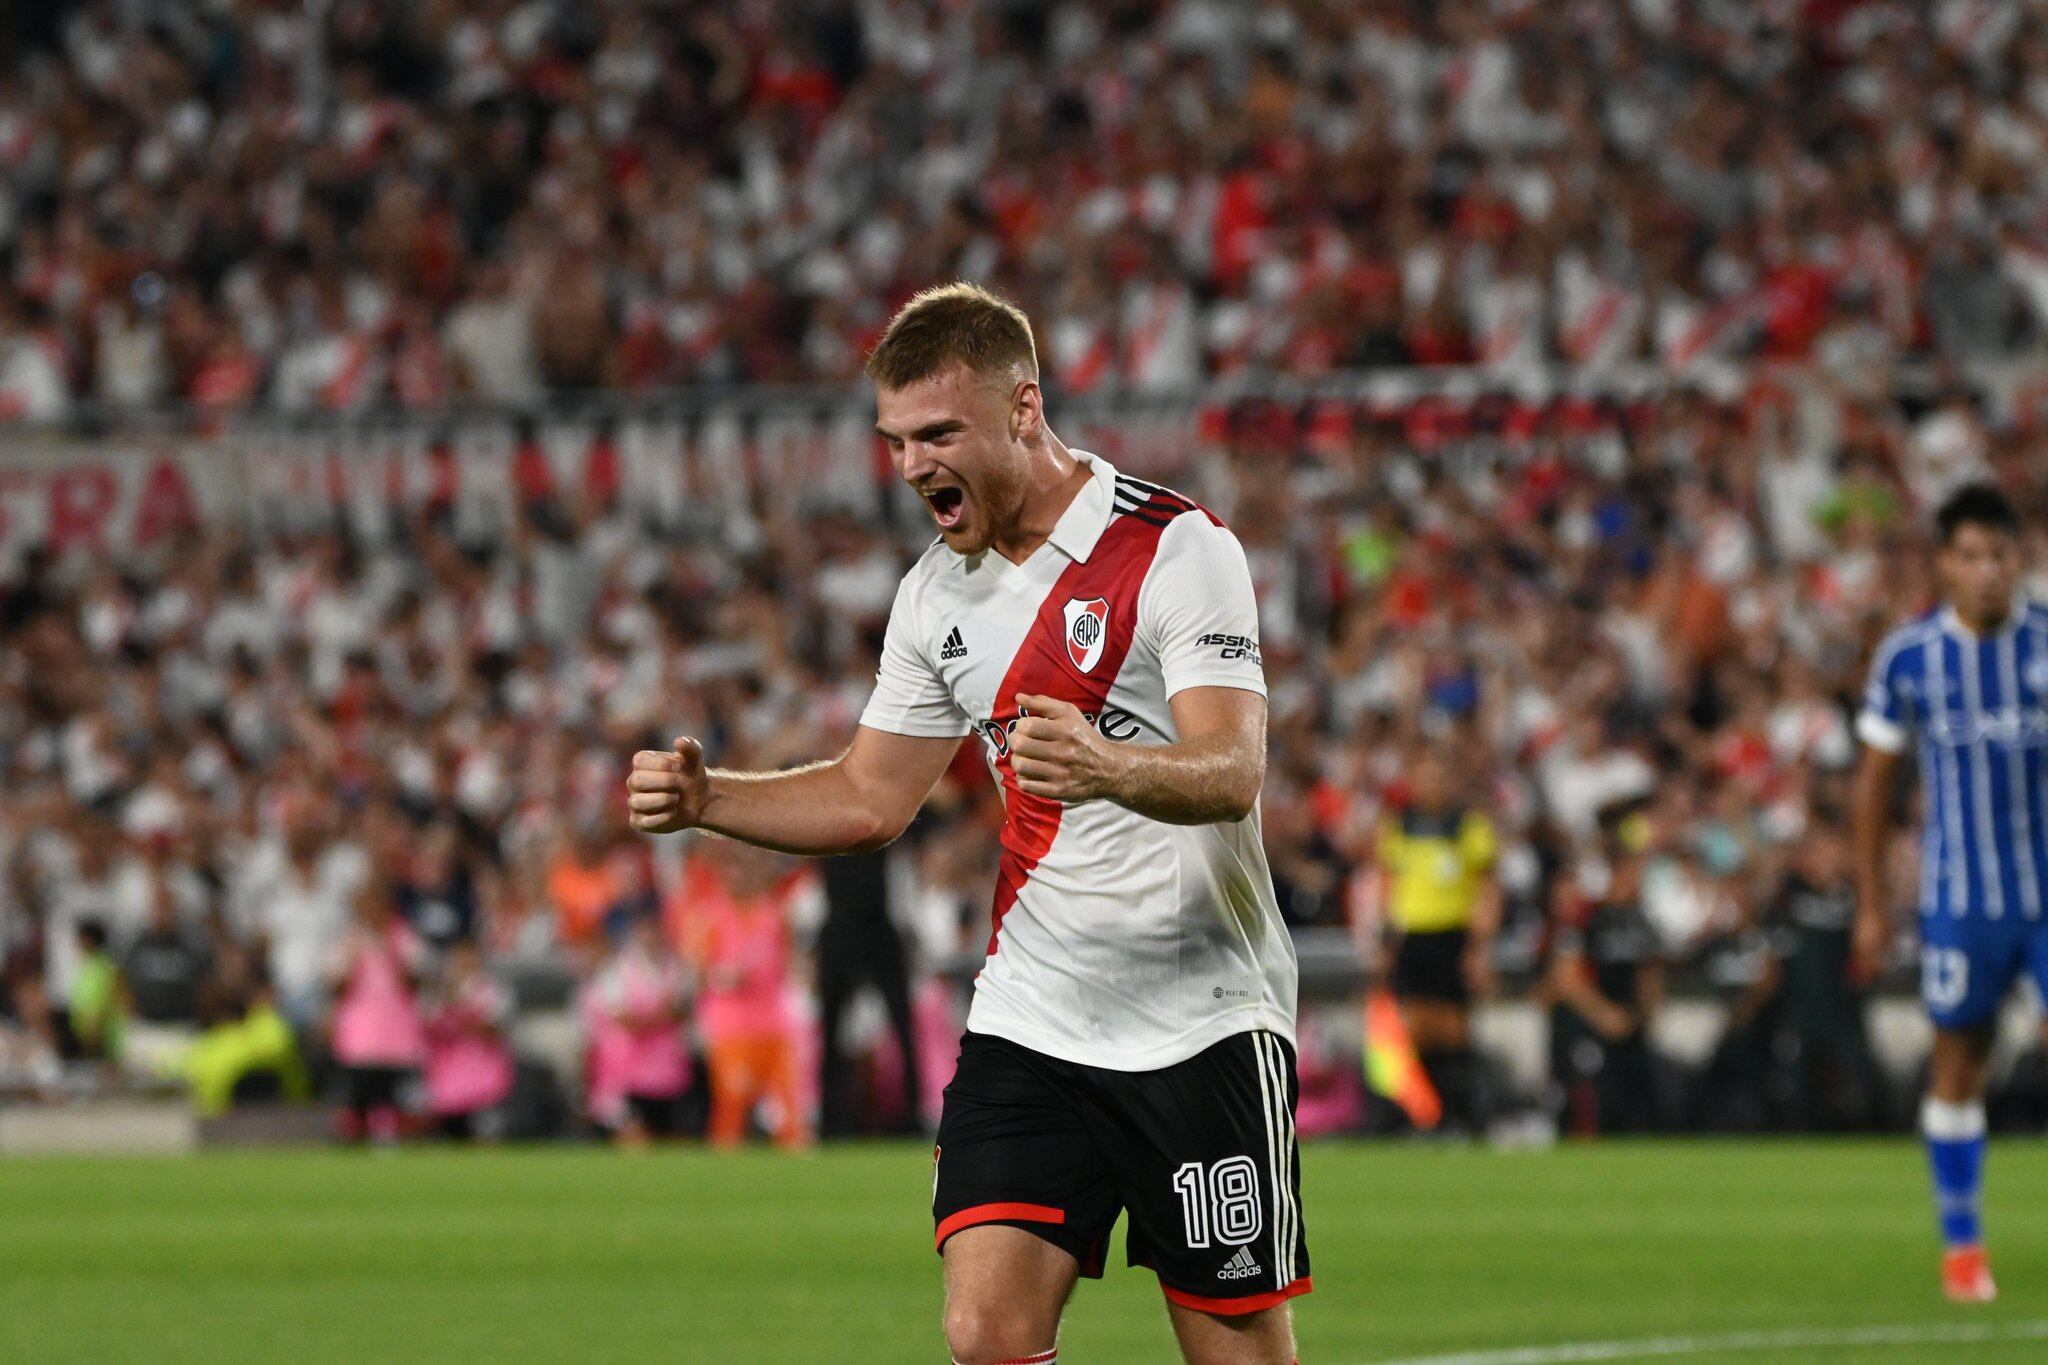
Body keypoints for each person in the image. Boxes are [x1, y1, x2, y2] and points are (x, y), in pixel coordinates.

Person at [627, 283, 1305, 1365]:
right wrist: (713, 802)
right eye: (894, 441)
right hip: (1033, 1016)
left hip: (1202, 1017)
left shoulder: (1176, 549)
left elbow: (1233, 770)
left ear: (1023, 411)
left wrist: (1102, 763)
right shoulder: (934, 598)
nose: (910, 466)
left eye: (937, 433)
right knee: (985, 1331)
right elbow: (866, 798)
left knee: (1233, 1351)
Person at [1852, 482, 2048, 1304]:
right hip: (1961, 899)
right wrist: (1870, 900)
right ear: (1943, 563)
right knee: (1957, 1061)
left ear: (2019, 558)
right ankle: (1962, 1245)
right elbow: (1873, 787)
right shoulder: (1908, 657)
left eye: (1999, 554)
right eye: (1969, 555)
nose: (1986, 570)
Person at [1374, 749, 1500, 1132]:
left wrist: (1479, 948)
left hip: (1452, 936)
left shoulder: (1468, 826)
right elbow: (1385, 885)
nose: (1432, 785)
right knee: (1414, 1029)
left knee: (1454, 1028)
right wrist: (1384, 941)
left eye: (1439, 776)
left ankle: (1462, 1116)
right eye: (1425, 777)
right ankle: (1423, 1117)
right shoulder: (1400, 825)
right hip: (1412, 937)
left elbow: (1487, 888)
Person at [680, 843, 811, 1151]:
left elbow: (789, 962)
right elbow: (696, 973)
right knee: (733, 1100)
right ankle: (727, 1161)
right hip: (730, 1024)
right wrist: (722, 977)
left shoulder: (772, 914)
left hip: (773, 1021)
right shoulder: (709, 916)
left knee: (785, 1100)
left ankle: (796, 1164)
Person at [326, 880, 428, 1144]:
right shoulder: (351, 939)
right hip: (361, 1033)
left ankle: (393, 1136)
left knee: (395, 1095)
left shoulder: (402, 936)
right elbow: (335, 985)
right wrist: (354, 959)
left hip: (396, 1030)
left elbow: (416, 980)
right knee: (359, 1095)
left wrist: (391, 953)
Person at [581, 914, 692, 1146]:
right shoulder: (617, 971)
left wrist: (651, 1018)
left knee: (671, 1137)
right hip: (626, 1073)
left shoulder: (676, 968)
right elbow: (625, 1020)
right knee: (632, 1136)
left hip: (667, 1071)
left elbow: (684, 1011)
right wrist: (661, 1016)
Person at [421, 941, 516, 1140]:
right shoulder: (439, 993)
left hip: (482, 1072)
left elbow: (493, 1029)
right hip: (447, 1073)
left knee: (483, 1132)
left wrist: (461, 1009)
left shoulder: (493, 991)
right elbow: (427, 1025)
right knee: (451, 1132)